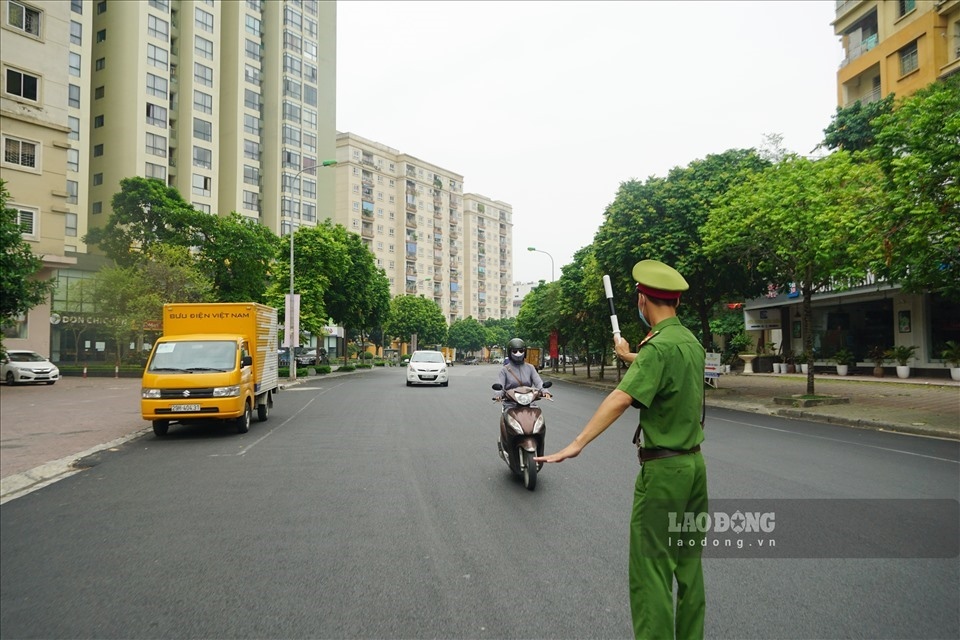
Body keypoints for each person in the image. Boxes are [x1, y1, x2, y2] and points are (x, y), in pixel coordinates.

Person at [537, 259, 707, 640]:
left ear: (643, 300)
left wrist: (576, 444)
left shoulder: (658, 348)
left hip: (664, 475)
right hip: (695, 469)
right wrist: (629, 353)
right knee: (689, 569)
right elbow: (660, 367)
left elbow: (620, 398)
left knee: (652, 573)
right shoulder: (690, 343)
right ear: (675, 302)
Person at [495, 338, 550, 407]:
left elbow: (538, 382)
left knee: (538, 416)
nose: (518, 354)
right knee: (509, 416)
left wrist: (545, 391)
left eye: (521, 351)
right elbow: (500, 384)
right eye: (515, 351)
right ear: (509, 352)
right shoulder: (504, 370)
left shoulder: (530, 367)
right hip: (511, 404)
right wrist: (498, 394)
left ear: (525, 352)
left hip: (529, 403)